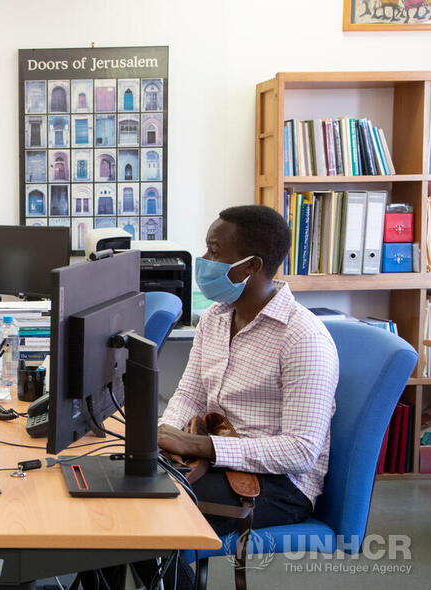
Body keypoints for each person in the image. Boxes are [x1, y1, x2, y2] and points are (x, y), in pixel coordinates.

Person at [143, 205, 339, 589]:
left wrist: (201, 445)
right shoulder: (216, 317)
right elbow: (190, 393)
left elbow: (301, 451)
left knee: (155, 515)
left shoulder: (304, 339)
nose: (204, 261)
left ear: (251, 267)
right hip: (220, 460)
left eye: (215, 252)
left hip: (280, 485)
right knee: (126, 490)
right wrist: (164, 434)